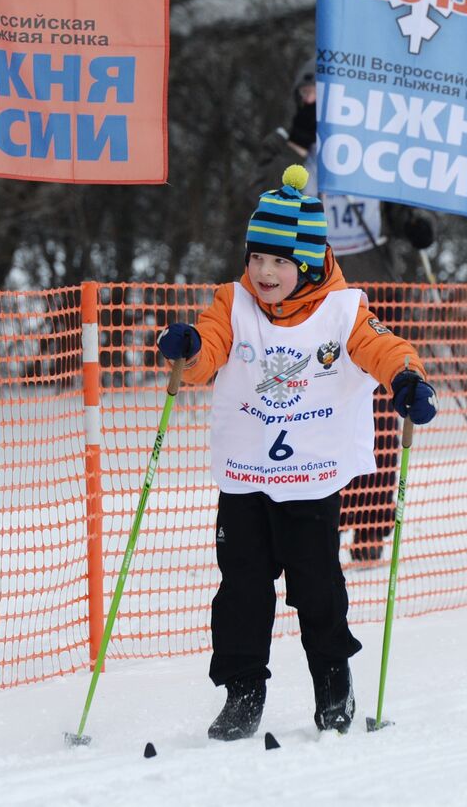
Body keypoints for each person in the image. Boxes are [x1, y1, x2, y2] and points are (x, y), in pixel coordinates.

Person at [155, 165, 438, 740]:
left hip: (311, 478)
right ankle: (243, 691)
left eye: (280, 261)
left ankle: (333, 679)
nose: (264, 271)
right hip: (245, 474)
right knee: (241, 588)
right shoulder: (232, 304)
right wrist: (188, 350)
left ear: (306, 263)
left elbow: (383, 348)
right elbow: (210, 348)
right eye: (258, 256)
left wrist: (407, 378)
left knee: (316, 586)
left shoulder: (343, 309)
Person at [274, 59, 437, 565]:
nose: (314, 103)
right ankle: (321, 516)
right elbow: (260, 197)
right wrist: (296, 144)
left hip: (375, 286)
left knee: (379, 413)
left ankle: (370, 524)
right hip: (312, 297)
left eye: (322, 95)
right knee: (311, 406)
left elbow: (402, 198)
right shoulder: (292, 154)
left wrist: (417, 225)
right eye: (308, 94)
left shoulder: (372, 150)